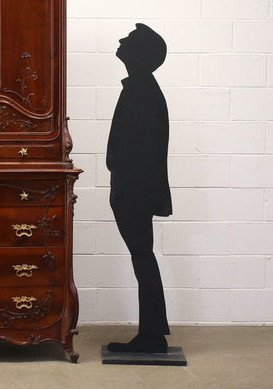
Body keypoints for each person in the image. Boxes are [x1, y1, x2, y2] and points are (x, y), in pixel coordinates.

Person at [105, 23, 172, 354]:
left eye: (129, 40)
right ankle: (153, 333)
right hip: (133, 189)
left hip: (135, 191)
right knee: (143, 257)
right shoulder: (141, 88)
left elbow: (140, 150)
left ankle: (152, 336)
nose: (120, 41)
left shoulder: (142, 92)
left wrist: (124, 187)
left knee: (143, 257)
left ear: (141, 55)